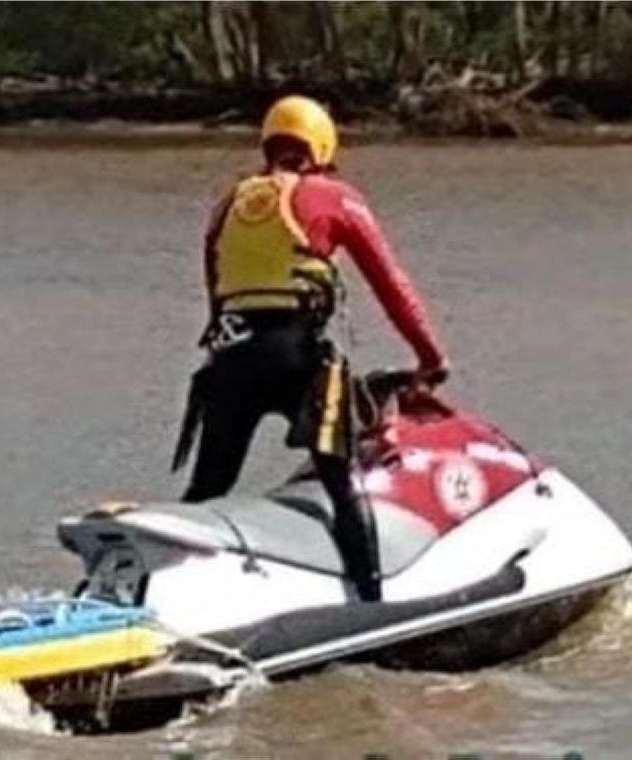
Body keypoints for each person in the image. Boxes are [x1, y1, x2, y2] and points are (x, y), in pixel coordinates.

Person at [173, 95, 449, 602]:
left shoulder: (228, 203)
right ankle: (373, 601)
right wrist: (431, 357)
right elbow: (393, 285)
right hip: (297, 359)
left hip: (230, 361)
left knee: (207, 490)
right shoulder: (331, 196)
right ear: (322, 145)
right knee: (343, 486)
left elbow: (216, 290)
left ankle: (160, 582)